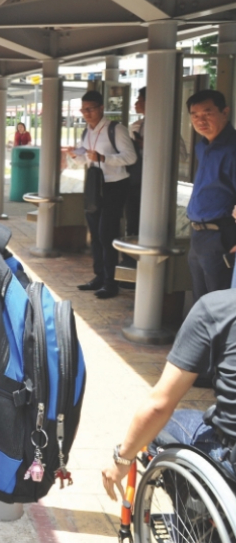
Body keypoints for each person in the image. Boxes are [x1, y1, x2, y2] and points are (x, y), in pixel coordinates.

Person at [101, 288, 236, 503]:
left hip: (231, 455)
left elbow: (159, 405)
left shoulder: (217, 308)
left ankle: (189, 522)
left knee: (161, 427)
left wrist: (122, 459)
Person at [68, 90, 137, 299]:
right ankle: (99, 277)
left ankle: (111, 282)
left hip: (114, 186)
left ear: (100, 108)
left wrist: (103, 157)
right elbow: (86, 159)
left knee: (107, 234)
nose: (86, 113)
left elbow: (131, 157)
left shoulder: (116, 129)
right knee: (95, 234)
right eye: (83, 109)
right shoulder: (86, 131)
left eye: (90, 109)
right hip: (94, 185)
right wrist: (76, 155)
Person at [184, 89, 236, 303]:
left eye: (207, 113)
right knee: (201, 302)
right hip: (199, 235)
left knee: (218, 305)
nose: (200, 120)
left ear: (225, 112)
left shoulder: (233, 149)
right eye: (195, 115)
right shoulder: (202, 146)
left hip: (221, 236)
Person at [119, 88, 146, 273]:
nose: (136, 103)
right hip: (133, 181)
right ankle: (130, 264)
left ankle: (139, 265)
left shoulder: (165, 125)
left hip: (150, 186)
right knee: (132, 223)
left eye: (140, 99)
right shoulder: (136, 125)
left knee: (144, 225)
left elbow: (182, 154)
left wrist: (147, 145)